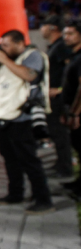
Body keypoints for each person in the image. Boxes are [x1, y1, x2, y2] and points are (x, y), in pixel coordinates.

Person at [0, 30, 54, 214]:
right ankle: (15, 194)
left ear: (19, 43)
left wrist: (4, 59)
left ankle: (44, 200)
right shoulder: (5, 58)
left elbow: (30, 75)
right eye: (2, 45)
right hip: (3, 114)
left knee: (29, 160)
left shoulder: (33, 55)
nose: (3, 49)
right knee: (9, 159)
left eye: (6, 45)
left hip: (22, 116)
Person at [42, 16, 73, 178]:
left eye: (43, 26)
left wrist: (60, 89)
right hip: (53, 97)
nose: (41, 30)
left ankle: (66, 167)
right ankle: (61, 163)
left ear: (52, 27)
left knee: (60, 132)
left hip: (59, 98)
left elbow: (72, 69)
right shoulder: (56, 46)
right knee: (55, 132)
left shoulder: (61, 46)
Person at [60, 21, 81, 199]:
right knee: (78, 149)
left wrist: (75, 113)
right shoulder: (74, 56)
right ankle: (79, 183)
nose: (66, 37)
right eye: (65, 33)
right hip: (72, 109)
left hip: (79, 112)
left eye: (70, 34)